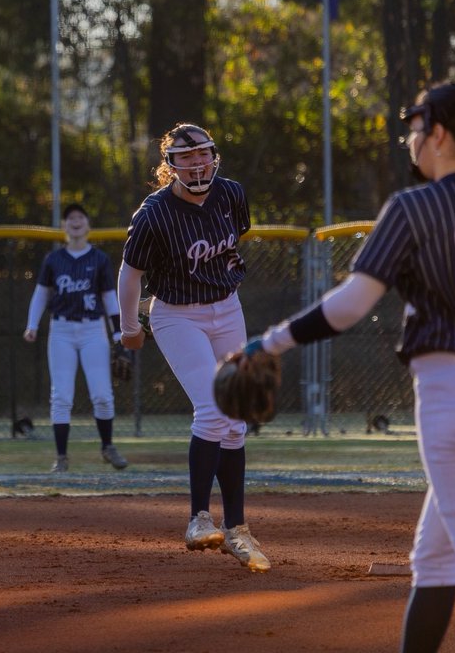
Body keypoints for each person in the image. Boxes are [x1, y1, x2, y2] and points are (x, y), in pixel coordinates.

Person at [237, 83, 455, 650]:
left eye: (416, 127)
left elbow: (349, 307)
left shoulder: (414, 207)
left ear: (439, 134)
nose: (411, 138)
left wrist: (268, 342)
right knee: (434, 557)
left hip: (454, 395)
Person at [116, 123, 269, 573]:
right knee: (214, 408)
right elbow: (130, 275)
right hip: (177, 314)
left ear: (214, 155)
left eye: (203, 153)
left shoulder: (232, 194)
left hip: (227, 306)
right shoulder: (154, 214)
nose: (197, 162)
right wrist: (129, 328)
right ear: (171, 165)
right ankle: (199, 519)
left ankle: (237, 530)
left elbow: (230, 247)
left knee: (236, 418)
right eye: (186, 157)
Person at [24, 203, 129, 473]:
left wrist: (118, 333)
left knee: (103, 395)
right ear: (64, 226)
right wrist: (32, 324)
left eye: (81, 217)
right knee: (61, 396)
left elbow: (109, 298)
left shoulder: (99, 259)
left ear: (88, 224)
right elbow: (41, 294)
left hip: (93, 329)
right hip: (61, 330)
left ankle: (107, 446)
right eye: (70, 218)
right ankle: (61, 457)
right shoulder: (53, 259)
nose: (76, 221)